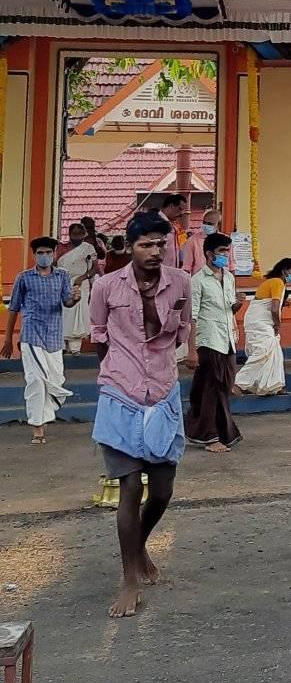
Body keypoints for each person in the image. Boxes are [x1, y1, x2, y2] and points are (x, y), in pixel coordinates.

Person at [88, 212, 192, 618]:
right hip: (120, 393)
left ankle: (139, 545)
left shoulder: (180, 283)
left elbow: (183, 329)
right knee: (130, 487)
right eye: (146, 244)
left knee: (163, 490)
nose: (154, 251)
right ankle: (129, 579)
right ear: (130, 246)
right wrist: (115, 373)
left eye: (160, 244)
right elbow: (98, 336)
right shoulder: (106, 286)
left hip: (163, 393)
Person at [3, 237, 78, 444]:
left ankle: (45, 416)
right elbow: (14, 309)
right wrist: (9, 338)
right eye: (40, 253)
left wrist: (75, 298)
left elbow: (67, 301)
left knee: (54, 381)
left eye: (48, 253)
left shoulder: (62, 276)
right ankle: (38, 428)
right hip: (31, 335)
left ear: (54, 254)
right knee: (35, 380)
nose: (44, 257)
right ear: (34, 255)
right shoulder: (24, 278)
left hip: (54, 336)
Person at [184, 231, 244, 452]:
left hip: (227, 338)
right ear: (209, 254)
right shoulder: (197, 281)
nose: (226, 255)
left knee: (223, 386)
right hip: (208, 340)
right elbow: (193, 316)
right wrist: (192, 350)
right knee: (212, 388)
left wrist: (238, 304)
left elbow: (229, 309)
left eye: (228, 251)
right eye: (222, 251)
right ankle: (211, 436)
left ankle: (211, 430)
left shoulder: (228, 277)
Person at [235, 256, 291, 396]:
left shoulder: (275, 283)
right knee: (262, 352)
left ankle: (274, 386)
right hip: (260, 322)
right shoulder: (277, 282)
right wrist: (277, 324)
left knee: (274, 352)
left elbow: (270, 302)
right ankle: (239, 384)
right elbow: (274, 309)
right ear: (284, 271)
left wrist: (283, 304)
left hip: (259, 320)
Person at [57, 221, 98, 352]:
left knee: (79, 314)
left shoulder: (88, 248)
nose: (77, 236)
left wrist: (82, 277)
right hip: (63, 282)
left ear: (84, 235)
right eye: (74, 233)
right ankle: (62, 346)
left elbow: (94, 268)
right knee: (64, 312)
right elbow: (54, 264)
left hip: (81, 283)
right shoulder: (62, 248)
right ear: (69, 234)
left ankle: (75, 348)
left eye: (80, 233)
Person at [157, 193, 190, 268]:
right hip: (160, 270)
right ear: (171, 206)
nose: (182, 214)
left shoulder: (174, 224)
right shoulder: (156, 223)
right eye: (180, 209)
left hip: (172, 269)